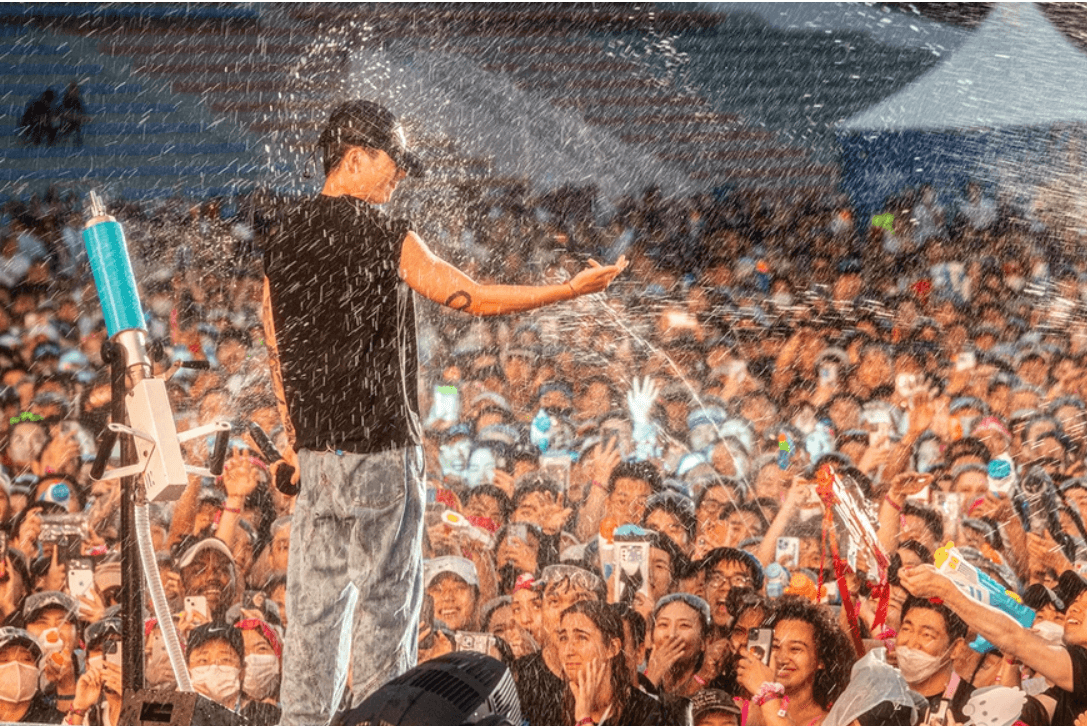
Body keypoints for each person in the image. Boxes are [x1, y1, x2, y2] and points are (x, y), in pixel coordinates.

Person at [262, 99, 627, 726]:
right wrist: (569, 289)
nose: (400, 174)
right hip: (381, 455)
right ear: (356, 158)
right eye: (394, 161)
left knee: (314, 616)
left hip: (318, 459)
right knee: (386, 614)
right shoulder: (382, 233)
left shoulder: (283, 237)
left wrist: (296, 441)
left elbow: (275, 341)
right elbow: (472, 297)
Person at [900, 565, 1087, 726]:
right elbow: (1019, 712)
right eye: (1077, 601)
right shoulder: (1067, 689)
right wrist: (1011, 661)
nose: (1075, 608)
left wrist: (945, 590)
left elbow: (1013, 636)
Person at [734, 596, 854, 726]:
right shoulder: (738, 711)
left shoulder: (834, 721)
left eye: (796, 649)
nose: (782, 658)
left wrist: (767, 694)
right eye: (775, 646)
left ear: (821, 660)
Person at [557, 600, 664, 726]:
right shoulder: (555, 705)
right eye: (563, 638)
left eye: (581, 637)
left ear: (612, 648)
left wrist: (584, 718)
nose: (568, 651)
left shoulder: (648, 712)